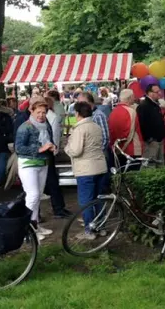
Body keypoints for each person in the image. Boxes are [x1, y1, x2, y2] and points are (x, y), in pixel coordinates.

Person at [65, 102, 108, 240]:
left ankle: (89, 230)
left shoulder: (79, 129)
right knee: (99, 199)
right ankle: (100, 226)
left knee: (86, 201)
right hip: (101, 166)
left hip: (86, 169)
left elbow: (76, 151)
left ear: (77, 113)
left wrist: (67, 148)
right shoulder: (96, 126)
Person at [15, 98, 57, 241]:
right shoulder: (25, 127)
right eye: (38, 112)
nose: (41, 115)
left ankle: (35, 225)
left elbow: (49, 139)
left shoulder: (46, 125)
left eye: (44, 112)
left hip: (43, 163)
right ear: (31, 111)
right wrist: (40, 148)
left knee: (38, 196)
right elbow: (19, 148)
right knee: (32, 195)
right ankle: (26, 229)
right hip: (28, 164)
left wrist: (53, 146)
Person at [43, 96, 70, 219]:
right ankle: (58, 209)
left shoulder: (51, 118)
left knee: (52, 183)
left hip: (47, 153)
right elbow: (55, 135)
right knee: (52, 183)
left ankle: (58, 208)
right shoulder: (51, 117)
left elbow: (54, 135)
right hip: (45, 154)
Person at [108, 89, 144, 159]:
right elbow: (129, 133)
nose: (135, 98)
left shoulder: (113, 112)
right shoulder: (131, 111)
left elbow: (111, 131)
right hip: (131, 150)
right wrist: (121, 149)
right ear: (129, 97)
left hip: (118, 148)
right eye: (133, 96)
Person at [137, 83, 165, 165]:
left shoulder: (156, 105)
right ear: (150, 93)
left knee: (160, 164)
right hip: (152, 141)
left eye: (159, 91)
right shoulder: (144, 106)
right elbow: (142, 123)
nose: (159, 93)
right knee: (150, 165)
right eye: (157, 92)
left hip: (159, 139)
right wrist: (149, 138)